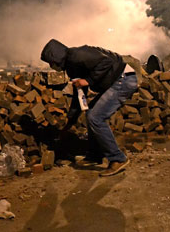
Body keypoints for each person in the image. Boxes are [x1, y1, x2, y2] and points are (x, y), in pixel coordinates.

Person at [41, 39, 138, 177]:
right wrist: (70, 121)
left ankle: (117, 158)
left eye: (51, 63)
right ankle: (95, 155)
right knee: (91, 113)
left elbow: (107, 62)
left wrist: (88, 81)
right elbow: (79, 96)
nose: (51, 66)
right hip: (117, 80)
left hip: (123, 79)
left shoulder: (76, 55)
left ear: (56, 57)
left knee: (96, 117)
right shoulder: (71, 66)